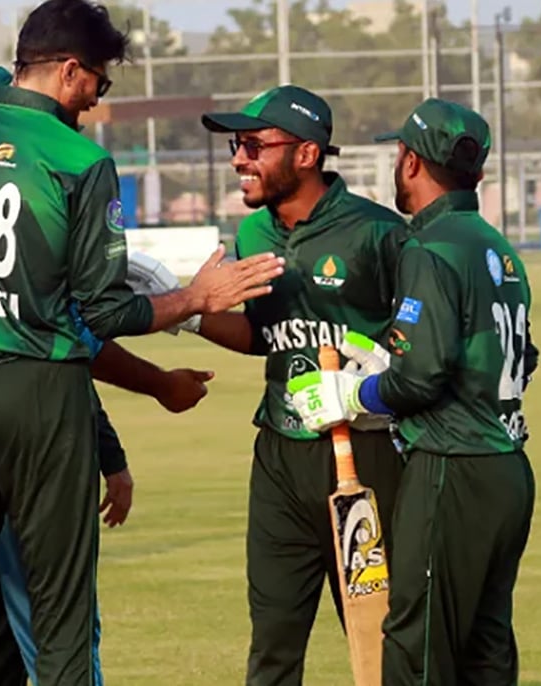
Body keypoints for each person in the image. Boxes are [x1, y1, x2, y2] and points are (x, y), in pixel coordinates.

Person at [0, 1, 285, 684]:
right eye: (98, 82)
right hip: (41, 395)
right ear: (67, 71)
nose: (95, 99)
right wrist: (195, 299)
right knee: (59, 620)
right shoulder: (79, 159)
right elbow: (106, 308)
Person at [286, 98, 540, 686]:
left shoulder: (429, 246)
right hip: (508, 468)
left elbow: (420, 378)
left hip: (454, 467)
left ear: (409, 162)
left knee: (417, 645)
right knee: (486, 646)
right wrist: (389, 361)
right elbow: (521, 359)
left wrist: (355, 394)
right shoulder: (496, 246)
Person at [192, 84, 409, 686]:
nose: (239, 158)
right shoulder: (255, 236)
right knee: (273, 641)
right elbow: (263, 334)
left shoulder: (378, 233)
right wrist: (192, 310)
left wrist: (377, 373)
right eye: (238, 145)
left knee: (379, 634)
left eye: (255, 145)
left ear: (307, 154)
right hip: (280, 456)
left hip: (365, 454)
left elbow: (422, 341)